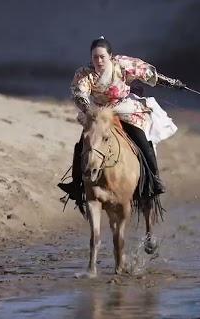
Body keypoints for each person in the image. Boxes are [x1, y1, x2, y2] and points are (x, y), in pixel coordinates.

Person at [58, 36, 186, 209]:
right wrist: (90, 112)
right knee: (83, 144)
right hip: (98, 112)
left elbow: (148, 73)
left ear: (110, 56)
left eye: (102, 57)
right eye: (95, 57)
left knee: (141, 140)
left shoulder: (122, 65)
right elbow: (79, 93)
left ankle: (154, 180)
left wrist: (171, 83)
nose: (99, 60)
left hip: (124, 108)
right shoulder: (85, 73)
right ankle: (76, 185)